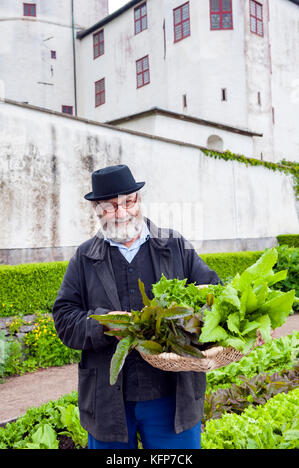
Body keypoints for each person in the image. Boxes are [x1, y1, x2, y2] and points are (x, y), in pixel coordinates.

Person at [52, 164, 222, 449]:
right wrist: (103, 325)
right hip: (108, 403)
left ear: (138, 200)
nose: (122, 213)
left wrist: (233, 326)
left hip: (172, 398)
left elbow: (213, 292)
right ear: (96, 209)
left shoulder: (175, 245)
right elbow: (64, 319)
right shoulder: (83, 258)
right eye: (110, 207)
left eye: (128, 202)